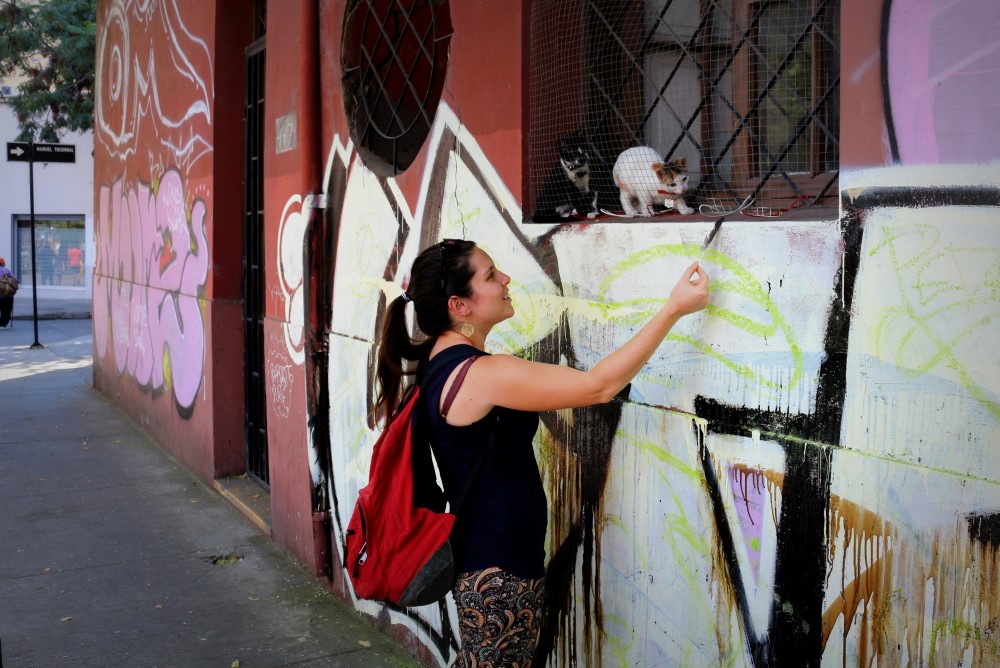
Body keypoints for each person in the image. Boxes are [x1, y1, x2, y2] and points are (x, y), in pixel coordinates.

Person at [372, 239, 710, 666]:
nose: (506, 279)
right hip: (499, 568)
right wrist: (674, 309)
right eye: (491, 276)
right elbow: (599, 387)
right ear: (460, 305)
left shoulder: (440, 359)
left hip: (484, 556)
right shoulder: (481, 374)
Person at [0, 257, 16, 329]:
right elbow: (14, 280)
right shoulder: (7, 270)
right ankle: (3, 324)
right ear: (3, 263)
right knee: (6, 310)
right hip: (8, 294)